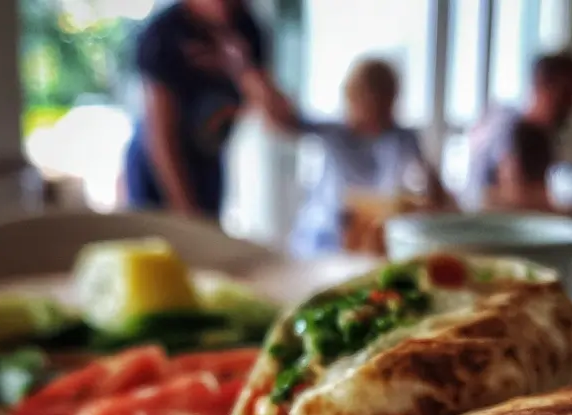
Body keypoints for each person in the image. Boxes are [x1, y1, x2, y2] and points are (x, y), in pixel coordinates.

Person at [124, 0, 296, 219]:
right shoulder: (162, 35)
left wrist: (243, 68)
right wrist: (187, 212)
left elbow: (280, 119)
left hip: (209, 159)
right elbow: (161, 138)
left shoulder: (246, 27)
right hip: (157, 167)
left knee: (207, 230)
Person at [287, 59, 447, 257]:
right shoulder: (336, 132)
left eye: (381, 98)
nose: (374, 106)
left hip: (375, 242)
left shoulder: (402, 138)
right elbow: (285, 120)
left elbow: (431, 186)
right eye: (366, 97)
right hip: (323, 243)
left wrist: (427, 200)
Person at [466, 51, 572, 209]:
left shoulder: (544, 138)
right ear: (542, 87)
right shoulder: (509, 128)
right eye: (566, 94)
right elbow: (515, 196)